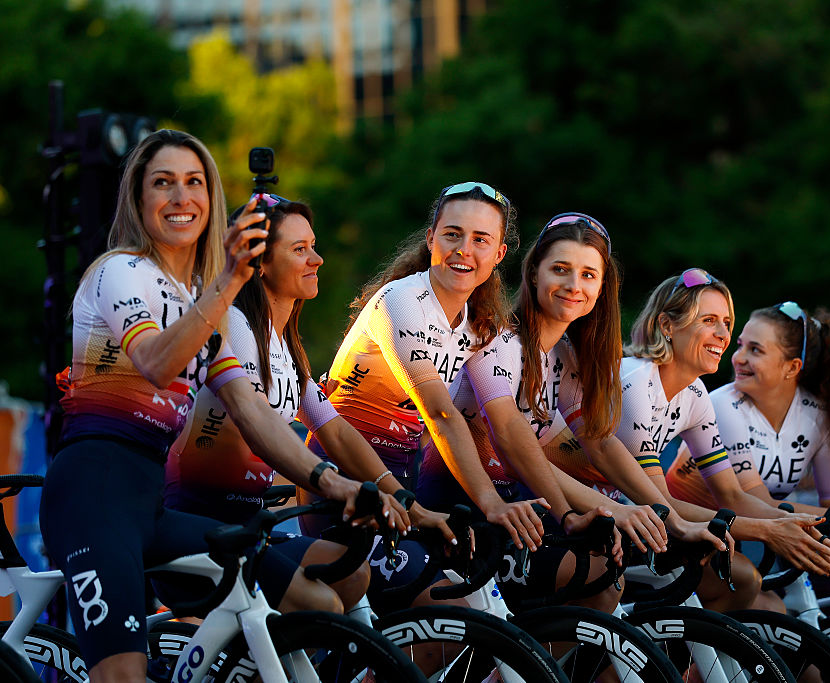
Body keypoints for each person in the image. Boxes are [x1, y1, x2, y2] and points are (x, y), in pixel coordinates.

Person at [39, 130, 370, 683]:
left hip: (153, 508)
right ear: (138, 199)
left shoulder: (199, 300)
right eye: (162, 183)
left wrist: (336, 484)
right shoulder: (118, 270)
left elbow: (251, 411)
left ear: (211, 200)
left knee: (314, 606)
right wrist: (229, 279)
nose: (180, 197)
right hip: (94, 494)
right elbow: (156, 362)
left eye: (194, 182)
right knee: (121, 675)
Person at [417, 212, 701, 612]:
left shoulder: (564, 356)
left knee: (605, 585)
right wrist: (611, 510)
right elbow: (514, 445)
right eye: (561, 270)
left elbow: (601, 446)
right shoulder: (497, 340)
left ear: (602, 287)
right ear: (534, 274)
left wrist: (670, 517)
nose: (573, 286)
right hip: (456, 509)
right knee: (589, 574)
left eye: (588, 275)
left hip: (515, 511)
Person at [164, 193, 410, 611]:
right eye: (300, 250)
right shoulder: (236, 327)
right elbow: (258, 422)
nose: (317, 259)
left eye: (313, 246)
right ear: (260, 263)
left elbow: (334, 429)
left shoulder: (284, 344)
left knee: (353, 575)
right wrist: (333, 482)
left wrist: (400, 496)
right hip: (201, 524)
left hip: (248, 525)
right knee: (320, 607)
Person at [303, 182, 545, 603]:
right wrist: (489, 501)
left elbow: (505, 421)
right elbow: (440, 414)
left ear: (499, 255)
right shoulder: (402, 299)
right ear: (431, 238)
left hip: (402, 487)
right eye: (452, 234)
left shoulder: (476, 323)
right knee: (450, 610)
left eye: (480, 240)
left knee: (468, 612)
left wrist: (560, 508)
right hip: (346, 483)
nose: (463, 250)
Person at [543, 270, 830, 607]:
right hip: (554, 505)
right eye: (709, 320)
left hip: (612, 510)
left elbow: (730, 494)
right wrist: (768, 531)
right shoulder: (637, 383)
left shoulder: (695, 394)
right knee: (612, 591)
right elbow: (661, 505)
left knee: (741, 580)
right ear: (667, 326)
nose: (723, 334)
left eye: (727, 322)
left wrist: (791, 523)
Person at [665, 302, 830, 542]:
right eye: (740, 346)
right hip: (683, 531)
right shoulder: (722, 404)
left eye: (755, 350)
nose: (738, 358)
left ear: (792, 367)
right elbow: (757, 505)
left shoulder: (818, 415)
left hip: (740, 534)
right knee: (752, 583)